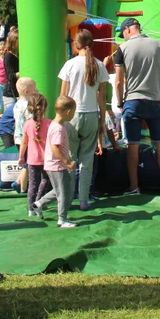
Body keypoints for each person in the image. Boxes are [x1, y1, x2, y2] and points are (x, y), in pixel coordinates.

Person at [113, 18, 160, 196]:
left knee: (133, 145)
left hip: (132, 100)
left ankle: (134, 187)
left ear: (128, 30)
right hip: (154, 100)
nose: (123, 36)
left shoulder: (122, 49)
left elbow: (118, 81)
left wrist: (119, 103)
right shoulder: (157, 45)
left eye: (123, 33)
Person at [58, 28, 109, 210]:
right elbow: (102, 97)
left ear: (76, 44)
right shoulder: (99, 65)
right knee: (87, 160)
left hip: (72, 116)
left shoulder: (70, 65)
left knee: (70, 157)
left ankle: (68, 196)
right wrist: (102, 120)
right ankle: (84, 199)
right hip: (91, 114)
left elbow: (63, 95)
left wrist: (59, 119)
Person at [34, 95, 78, 228]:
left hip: (52, 165)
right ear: (68, 112)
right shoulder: (58, 128)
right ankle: (62, 219)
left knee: (60, 189)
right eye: (73, 112)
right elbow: (55, 148)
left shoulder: (55, 124)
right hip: (57, 165)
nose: (73, 115)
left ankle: (39, 204)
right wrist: (68, 162)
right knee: (64, 193)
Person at [19, 92, 51, 218]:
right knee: (45, 180)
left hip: (32, 159)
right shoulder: (49, 124)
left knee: (32, 183)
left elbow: (24, 142)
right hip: (46, 159)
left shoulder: (27, 124)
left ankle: (31, 208)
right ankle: (38, 202)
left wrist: (21, 156)